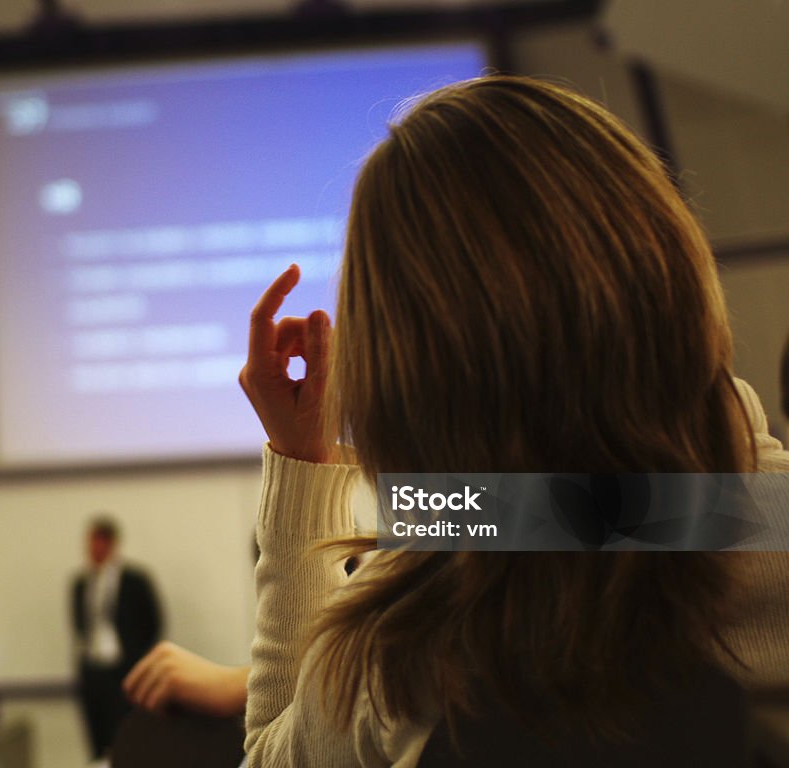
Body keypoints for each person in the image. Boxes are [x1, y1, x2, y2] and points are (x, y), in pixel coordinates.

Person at [237, 75, 789, 766]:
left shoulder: (402, 647)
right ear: (667, 260)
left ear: (405, 372)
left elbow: (269, 757)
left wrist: (302, 464)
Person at [71, 515, 162, 759]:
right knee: (96, 737)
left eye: (96, 543)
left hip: (123, 669)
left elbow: (153, 623)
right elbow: (80, 626)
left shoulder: (135, 580)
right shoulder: (81, 582)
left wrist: (134, 657)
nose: (91, 550)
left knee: (124, 735)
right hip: (92, 669)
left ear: (110, 543)